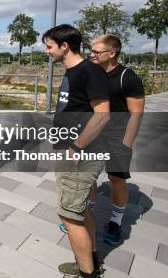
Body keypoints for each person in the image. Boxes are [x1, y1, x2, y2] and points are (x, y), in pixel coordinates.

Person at [43, 24, 110, 278]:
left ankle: (87, 274)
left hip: (80, 155)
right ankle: (89, 262)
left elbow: (102, 115)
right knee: (80, 210)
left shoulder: (88, 72)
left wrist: (76, 146)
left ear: (64, 46)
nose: (47, 52)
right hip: (71, 151)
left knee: (69, 216)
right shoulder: (72, 71)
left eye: (50, 46)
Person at [89, 34, 145, 245]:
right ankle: (88, 214)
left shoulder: (127, 77)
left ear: (111, 53)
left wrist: (126, 144)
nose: (91, 54)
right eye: (91, 51)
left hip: (117, 138)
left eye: (96, 51)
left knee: (116, 179)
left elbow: (137, 113)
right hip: (94, 135)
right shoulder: (93, 74)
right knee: (89, 176)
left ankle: (116, 221)